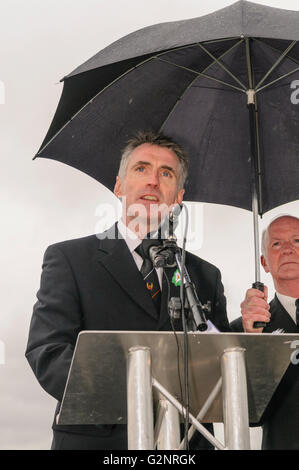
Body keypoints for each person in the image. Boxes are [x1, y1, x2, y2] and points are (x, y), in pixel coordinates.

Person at [25, 130, 230, 450]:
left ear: (178, 195)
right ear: (119, 185)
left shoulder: (205, 275)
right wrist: (133, 396)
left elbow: (216, 364)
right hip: (99, 441)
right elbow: (47, 351)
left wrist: (249, 332)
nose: (153, 181)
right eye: (141, 168)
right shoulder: (69, 259)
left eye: (166, 173)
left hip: (186, 444)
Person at [230, 215, 299, 450]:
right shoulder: (247, 330)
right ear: (264, 262)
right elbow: (250, 415)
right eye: (277, 243)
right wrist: (253, 341)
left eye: (297, 240)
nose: (288, 249)